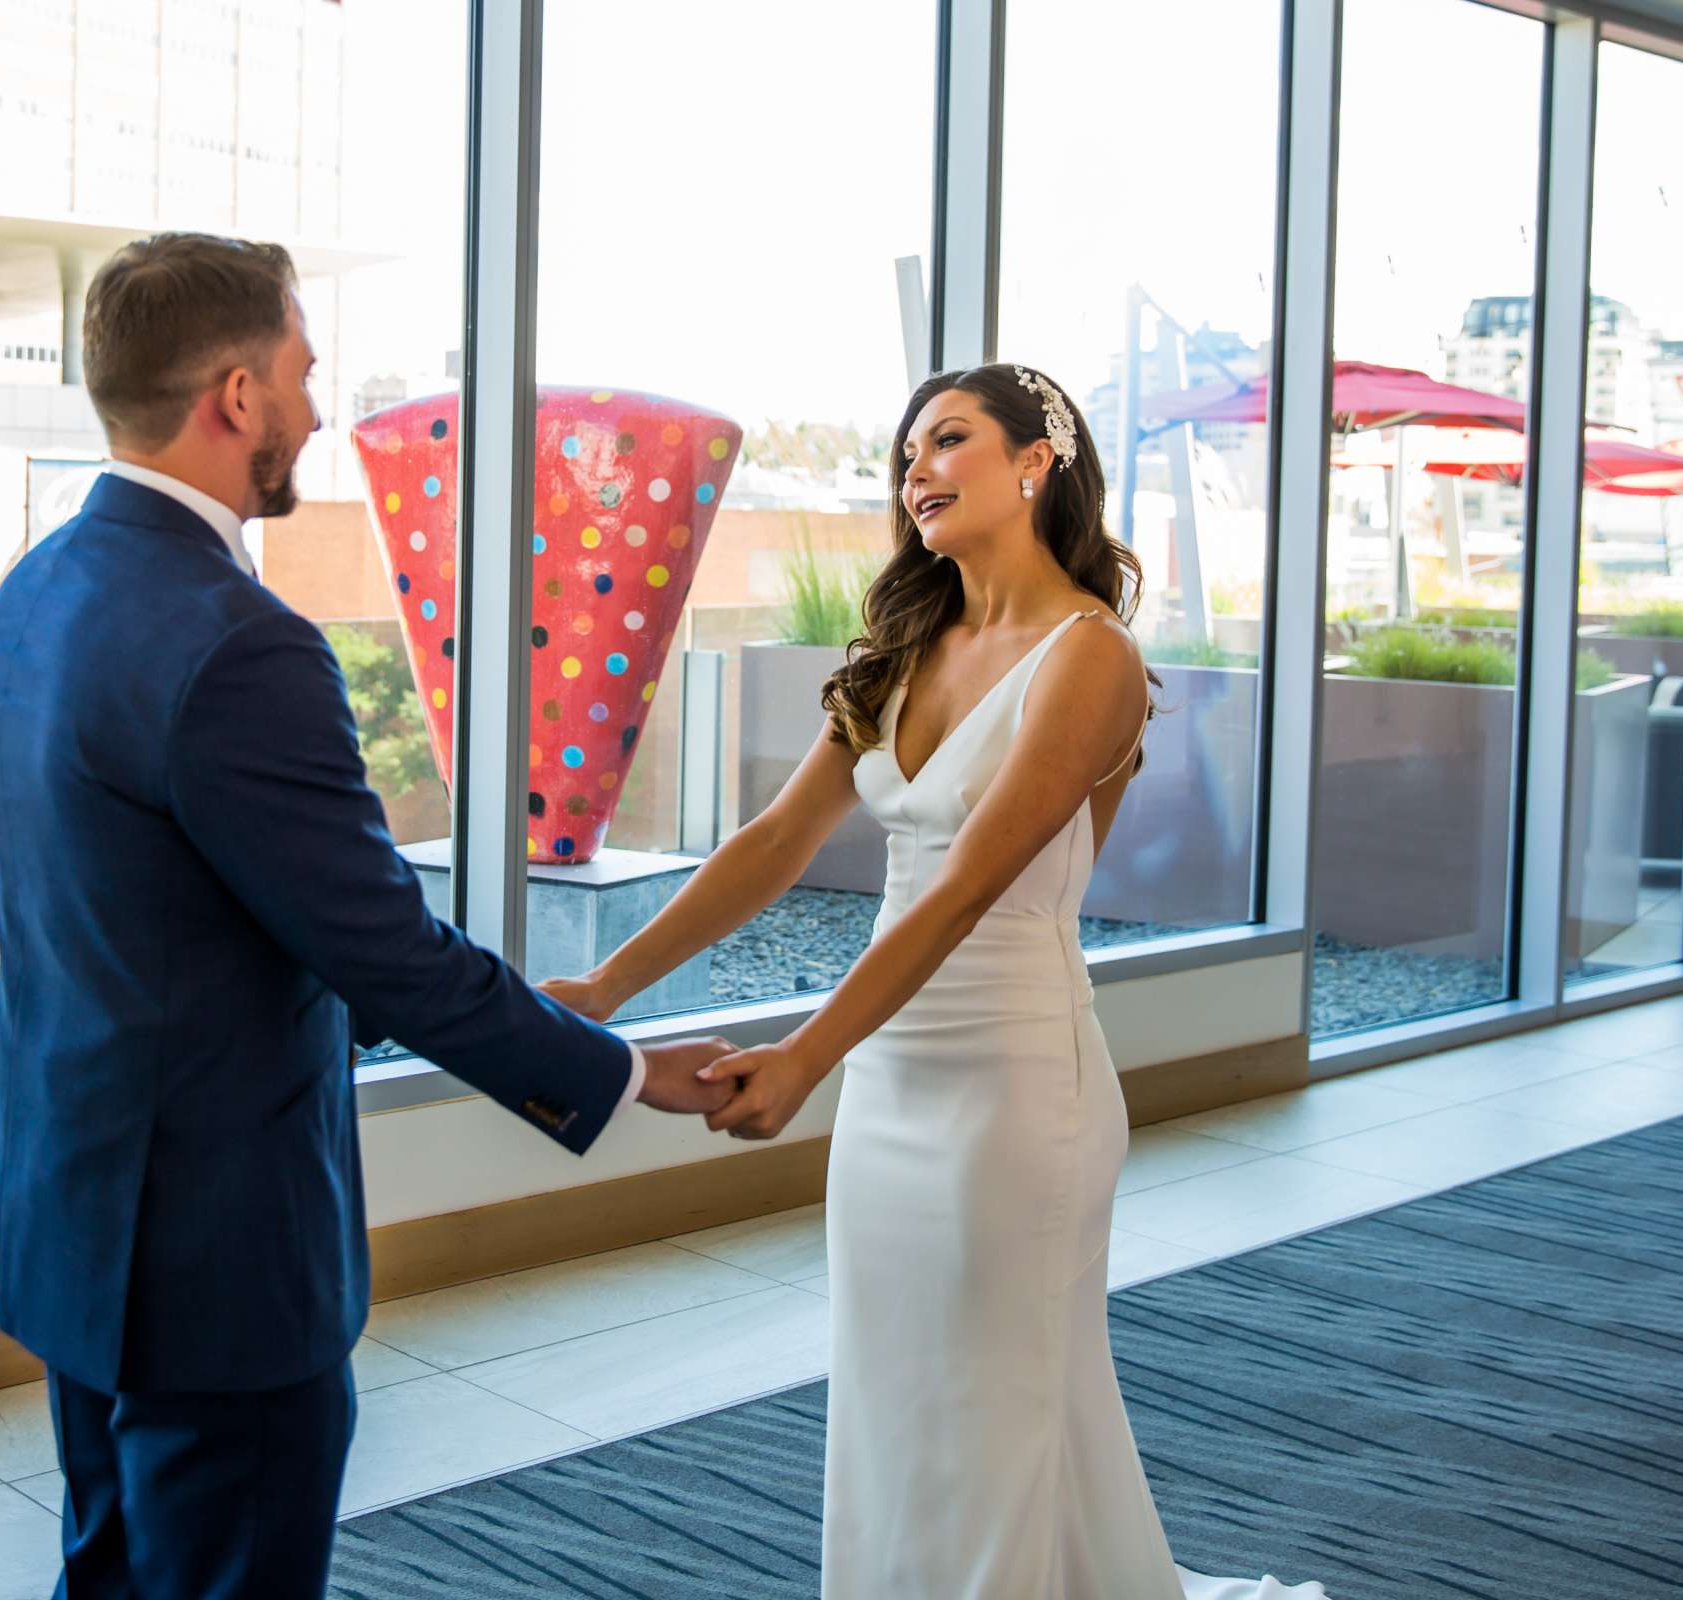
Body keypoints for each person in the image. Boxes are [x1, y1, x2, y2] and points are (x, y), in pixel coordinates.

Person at [0, 231, 739, 1600]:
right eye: (303, 373)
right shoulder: (238, 642)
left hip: (69, 1215)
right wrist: (619, 1072)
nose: (319, 409)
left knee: (112, 1568)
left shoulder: (34, 595)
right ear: (237, 397)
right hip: (212, 1261)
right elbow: (381, 948)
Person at [542, 364, 1327, 1598]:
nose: (915, 470)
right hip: (897, 1090)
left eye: (947, 440)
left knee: (996, 1406)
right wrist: (603, 986)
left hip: (1017, 1090)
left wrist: (807, 1053)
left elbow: (962, 888)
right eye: (905, 453)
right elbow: (771, 844)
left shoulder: (1090, 656)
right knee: (904, 1397)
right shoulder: (909, 645)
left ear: (1035, 462)